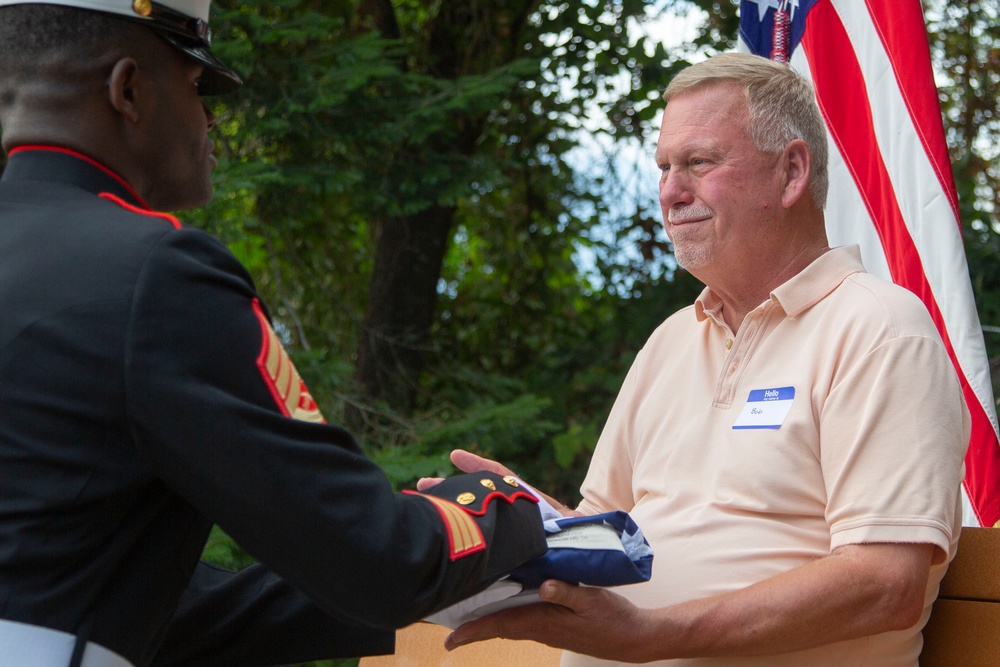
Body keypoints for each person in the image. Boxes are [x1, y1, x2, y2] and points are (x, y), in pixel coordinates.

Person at [0, 2, 548, 666]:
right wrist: (508, 508)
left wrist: (428, 601)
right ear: (129, 90)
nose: (209, 121)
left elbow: (106, 585)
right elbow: (382, 557)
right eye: (198, 88)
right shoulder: (155, 274)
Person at [432, 52, 970, 666]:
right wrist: (523, 526)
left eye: (698, 162)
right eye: (664, 166)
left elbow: (884, 585)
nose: (670, 189)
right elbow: (605, 534)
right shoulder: (670, 341)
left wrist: (655, 636)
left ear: (792, 172)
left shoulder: (880, 330)